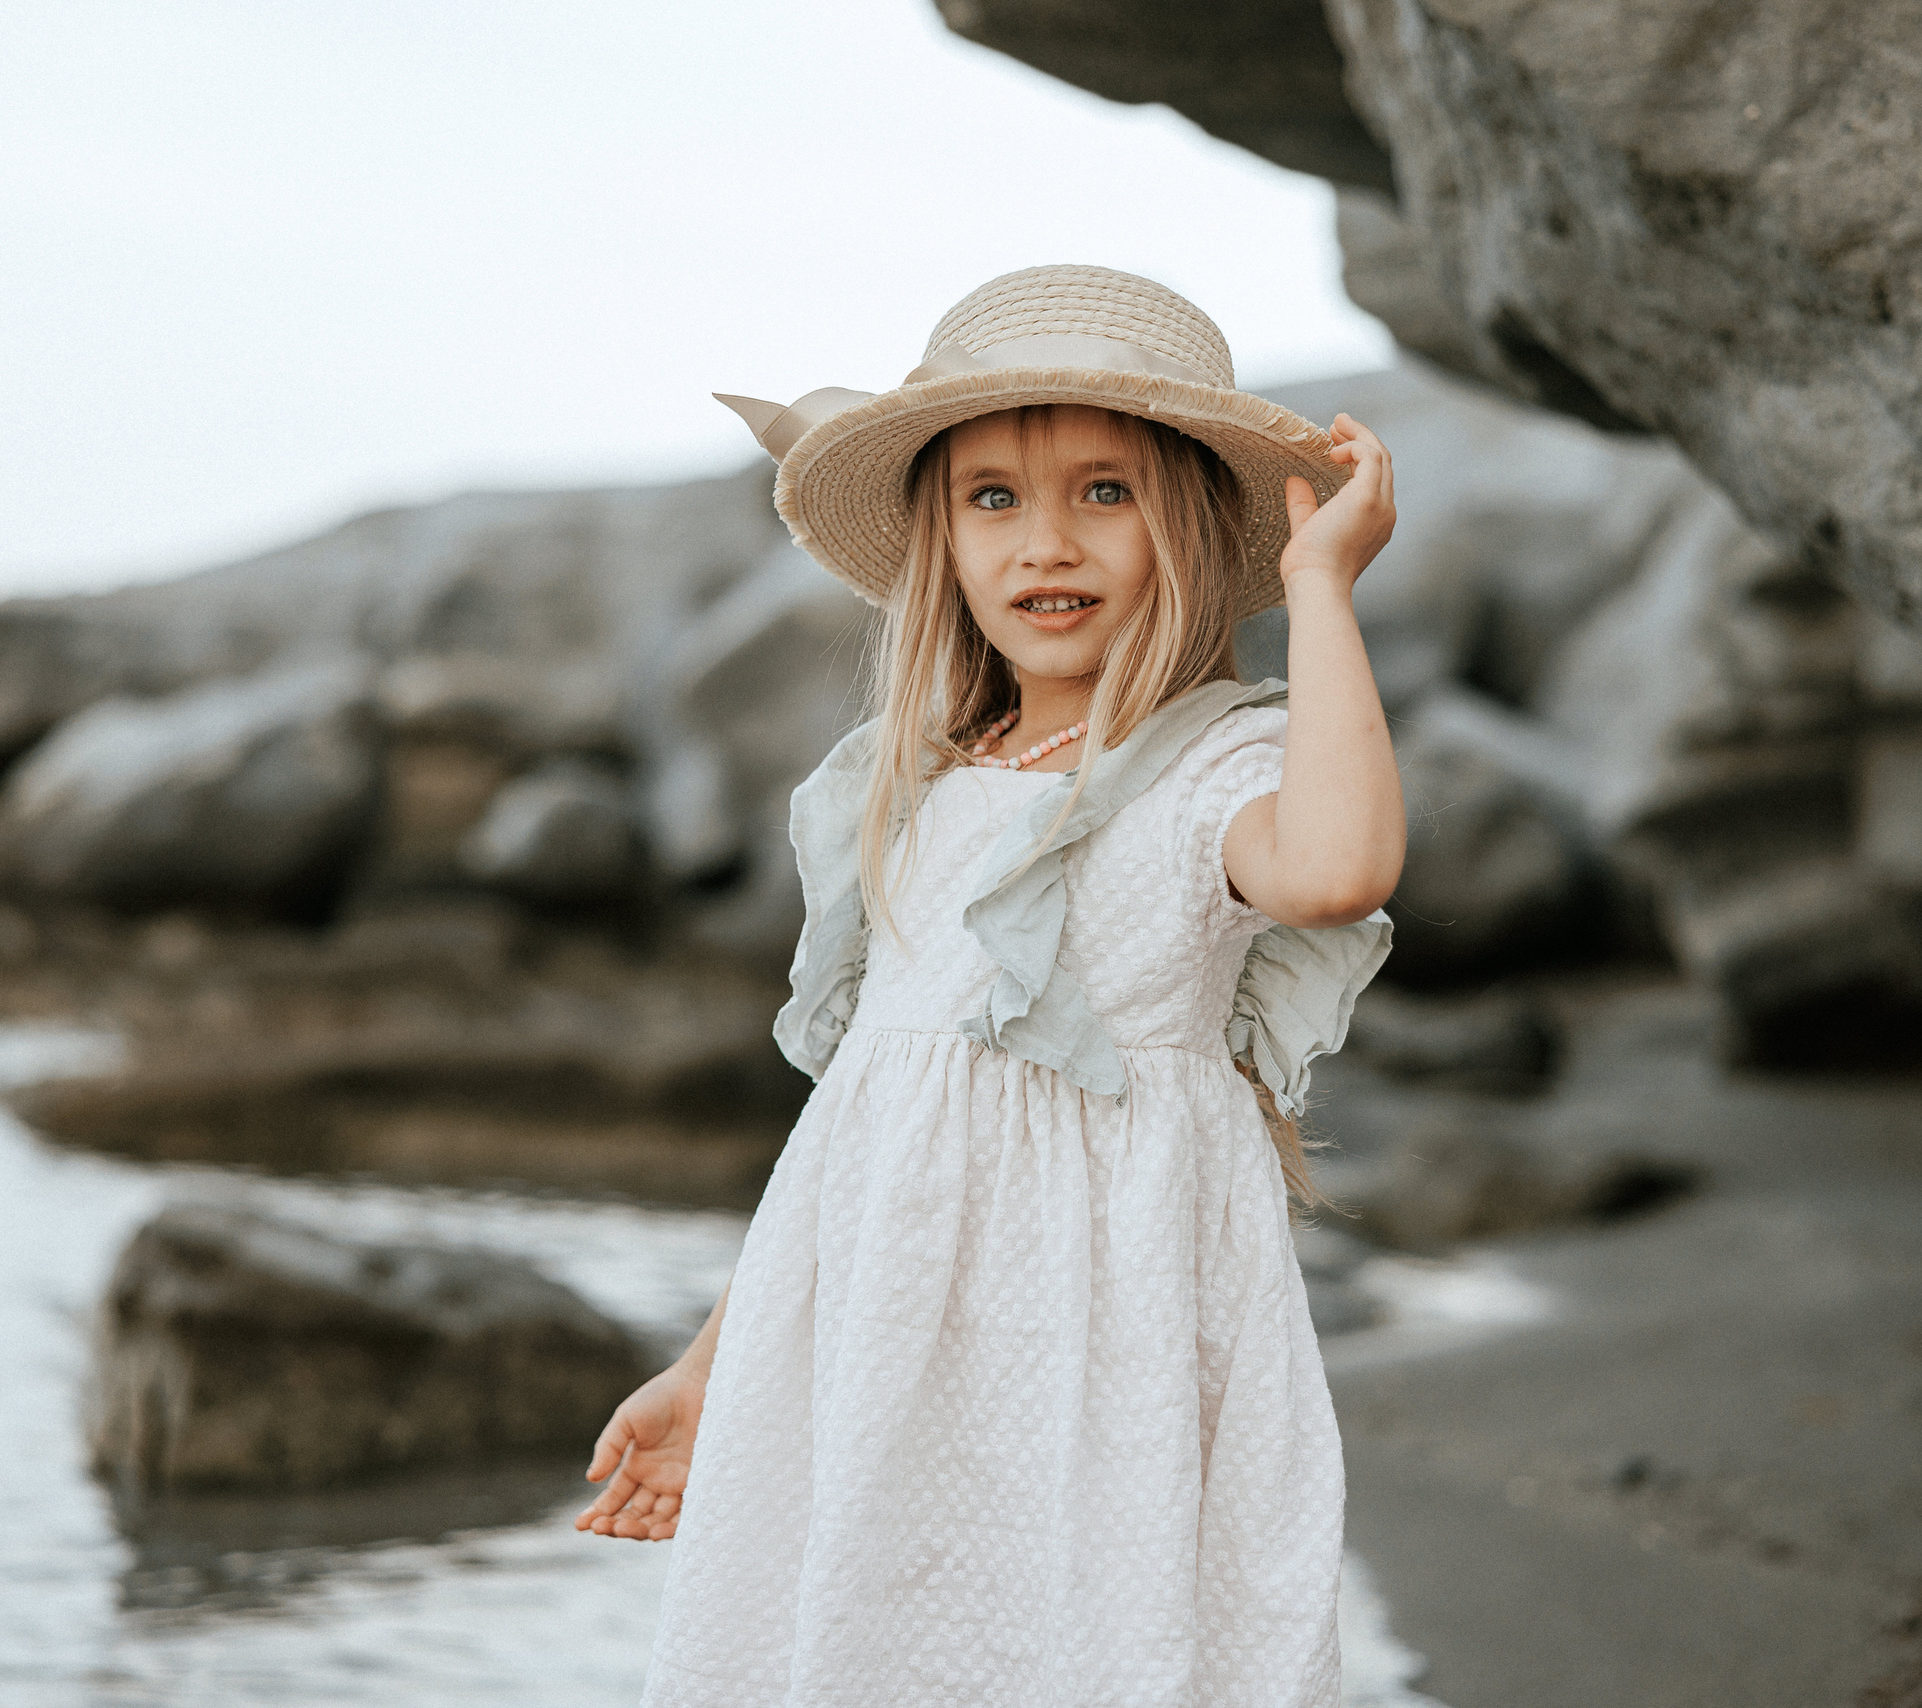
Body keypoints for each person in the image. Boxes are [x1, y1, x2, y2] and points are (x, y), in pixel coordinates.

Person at [578, 264, 1404, 1706]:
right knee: (877, 1643)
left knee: (1096, 1643)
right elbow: (852, 1126)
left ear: (1192, 529)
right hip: (889, 1345)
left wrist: (1320, 590)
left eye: (1104, 492)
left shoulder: (1211, 772)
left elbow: (1335, 868)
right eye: (993, 500)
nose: (1047, 543)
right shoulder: (913, 793)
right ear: (940, 541)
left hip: (1112, 1337)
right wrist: (720, 1362)